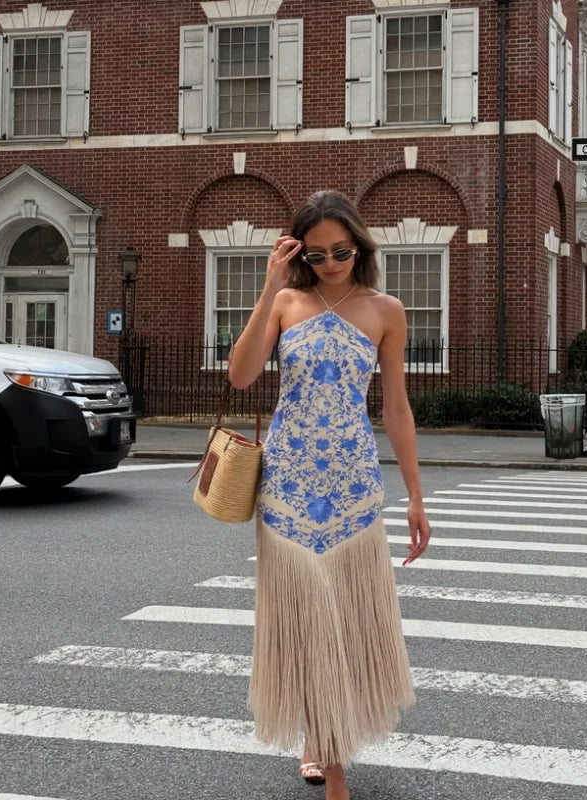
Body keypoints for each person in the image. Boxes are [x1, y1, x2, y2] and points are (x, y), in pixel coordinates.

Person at [228, 190, 431, 800]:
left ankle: (324, 735)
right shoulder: (286, 302)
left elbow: (397, 408)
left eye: (341, 251)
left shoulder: (386, 310)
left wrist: (416, 497)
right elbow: (241, 375)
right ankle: (332, 760)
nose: (331, 264)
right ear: (299, 255)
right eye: (315, 256)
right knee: (305, 620)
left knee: (344, 621)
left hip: (354, 488)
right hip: (287, 486)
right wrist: (270, 285)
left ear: (359, 247)